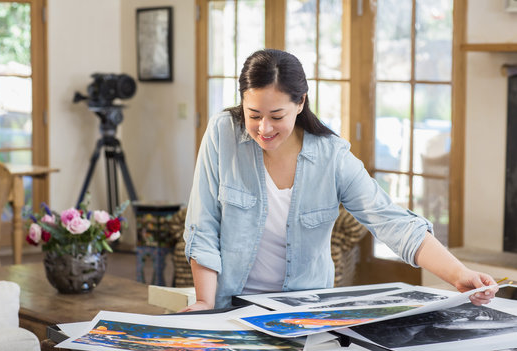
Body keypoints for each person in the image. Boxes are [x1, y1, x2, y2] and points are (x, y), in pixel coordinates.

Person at [180, 49, 498, 312]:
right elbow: (203, 224)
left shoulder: (331, 156)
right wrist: (206, 304)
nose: (264, 128)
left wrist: (460, 274)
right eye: (253, 115)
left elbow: (394, 223)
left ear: (301, 102)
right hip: (229, 306)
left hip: (301, 311)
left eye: (277, 116)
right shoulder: (222, 133)